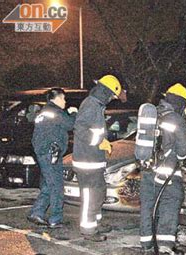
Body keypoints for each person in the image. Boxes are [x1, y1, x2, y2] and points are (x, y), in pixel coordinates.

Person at [139, 83, 186, 255]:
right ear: (181, 102)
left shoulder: (154, 113)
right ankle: (165, 244)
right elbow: (183, 151)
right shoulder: (176, 119)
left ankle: (146, 243)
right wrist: (182, 159)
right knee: (171, 202)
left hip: (147, 170)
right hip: (167, 173)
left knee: (148, 206)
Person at [72, 75, 124, 242]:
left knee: (99, 193)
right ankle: (88, 230)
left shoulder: (97, 105)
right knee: (90, 196)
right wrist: (99, 142)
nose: (111, 99)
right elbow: (80, 129)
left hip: (94, 160)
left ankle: (95, 223)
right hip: (87, 161)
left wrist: (102, 141)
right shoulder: (91, 104)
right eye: (111, 96)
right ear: (106, 92)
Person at [28, 88, 77, 228]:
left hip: (43, 153)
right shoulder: (55, 112)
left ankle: (36, 213)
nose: (65, 101)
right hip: (51, 154)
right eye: (63, 98)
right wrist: (73, 113)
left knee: (48, 185)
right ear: (56, 98)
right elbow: (70, 124)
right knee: (56, 186)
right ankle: (55, 219)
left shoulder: (45, 112)